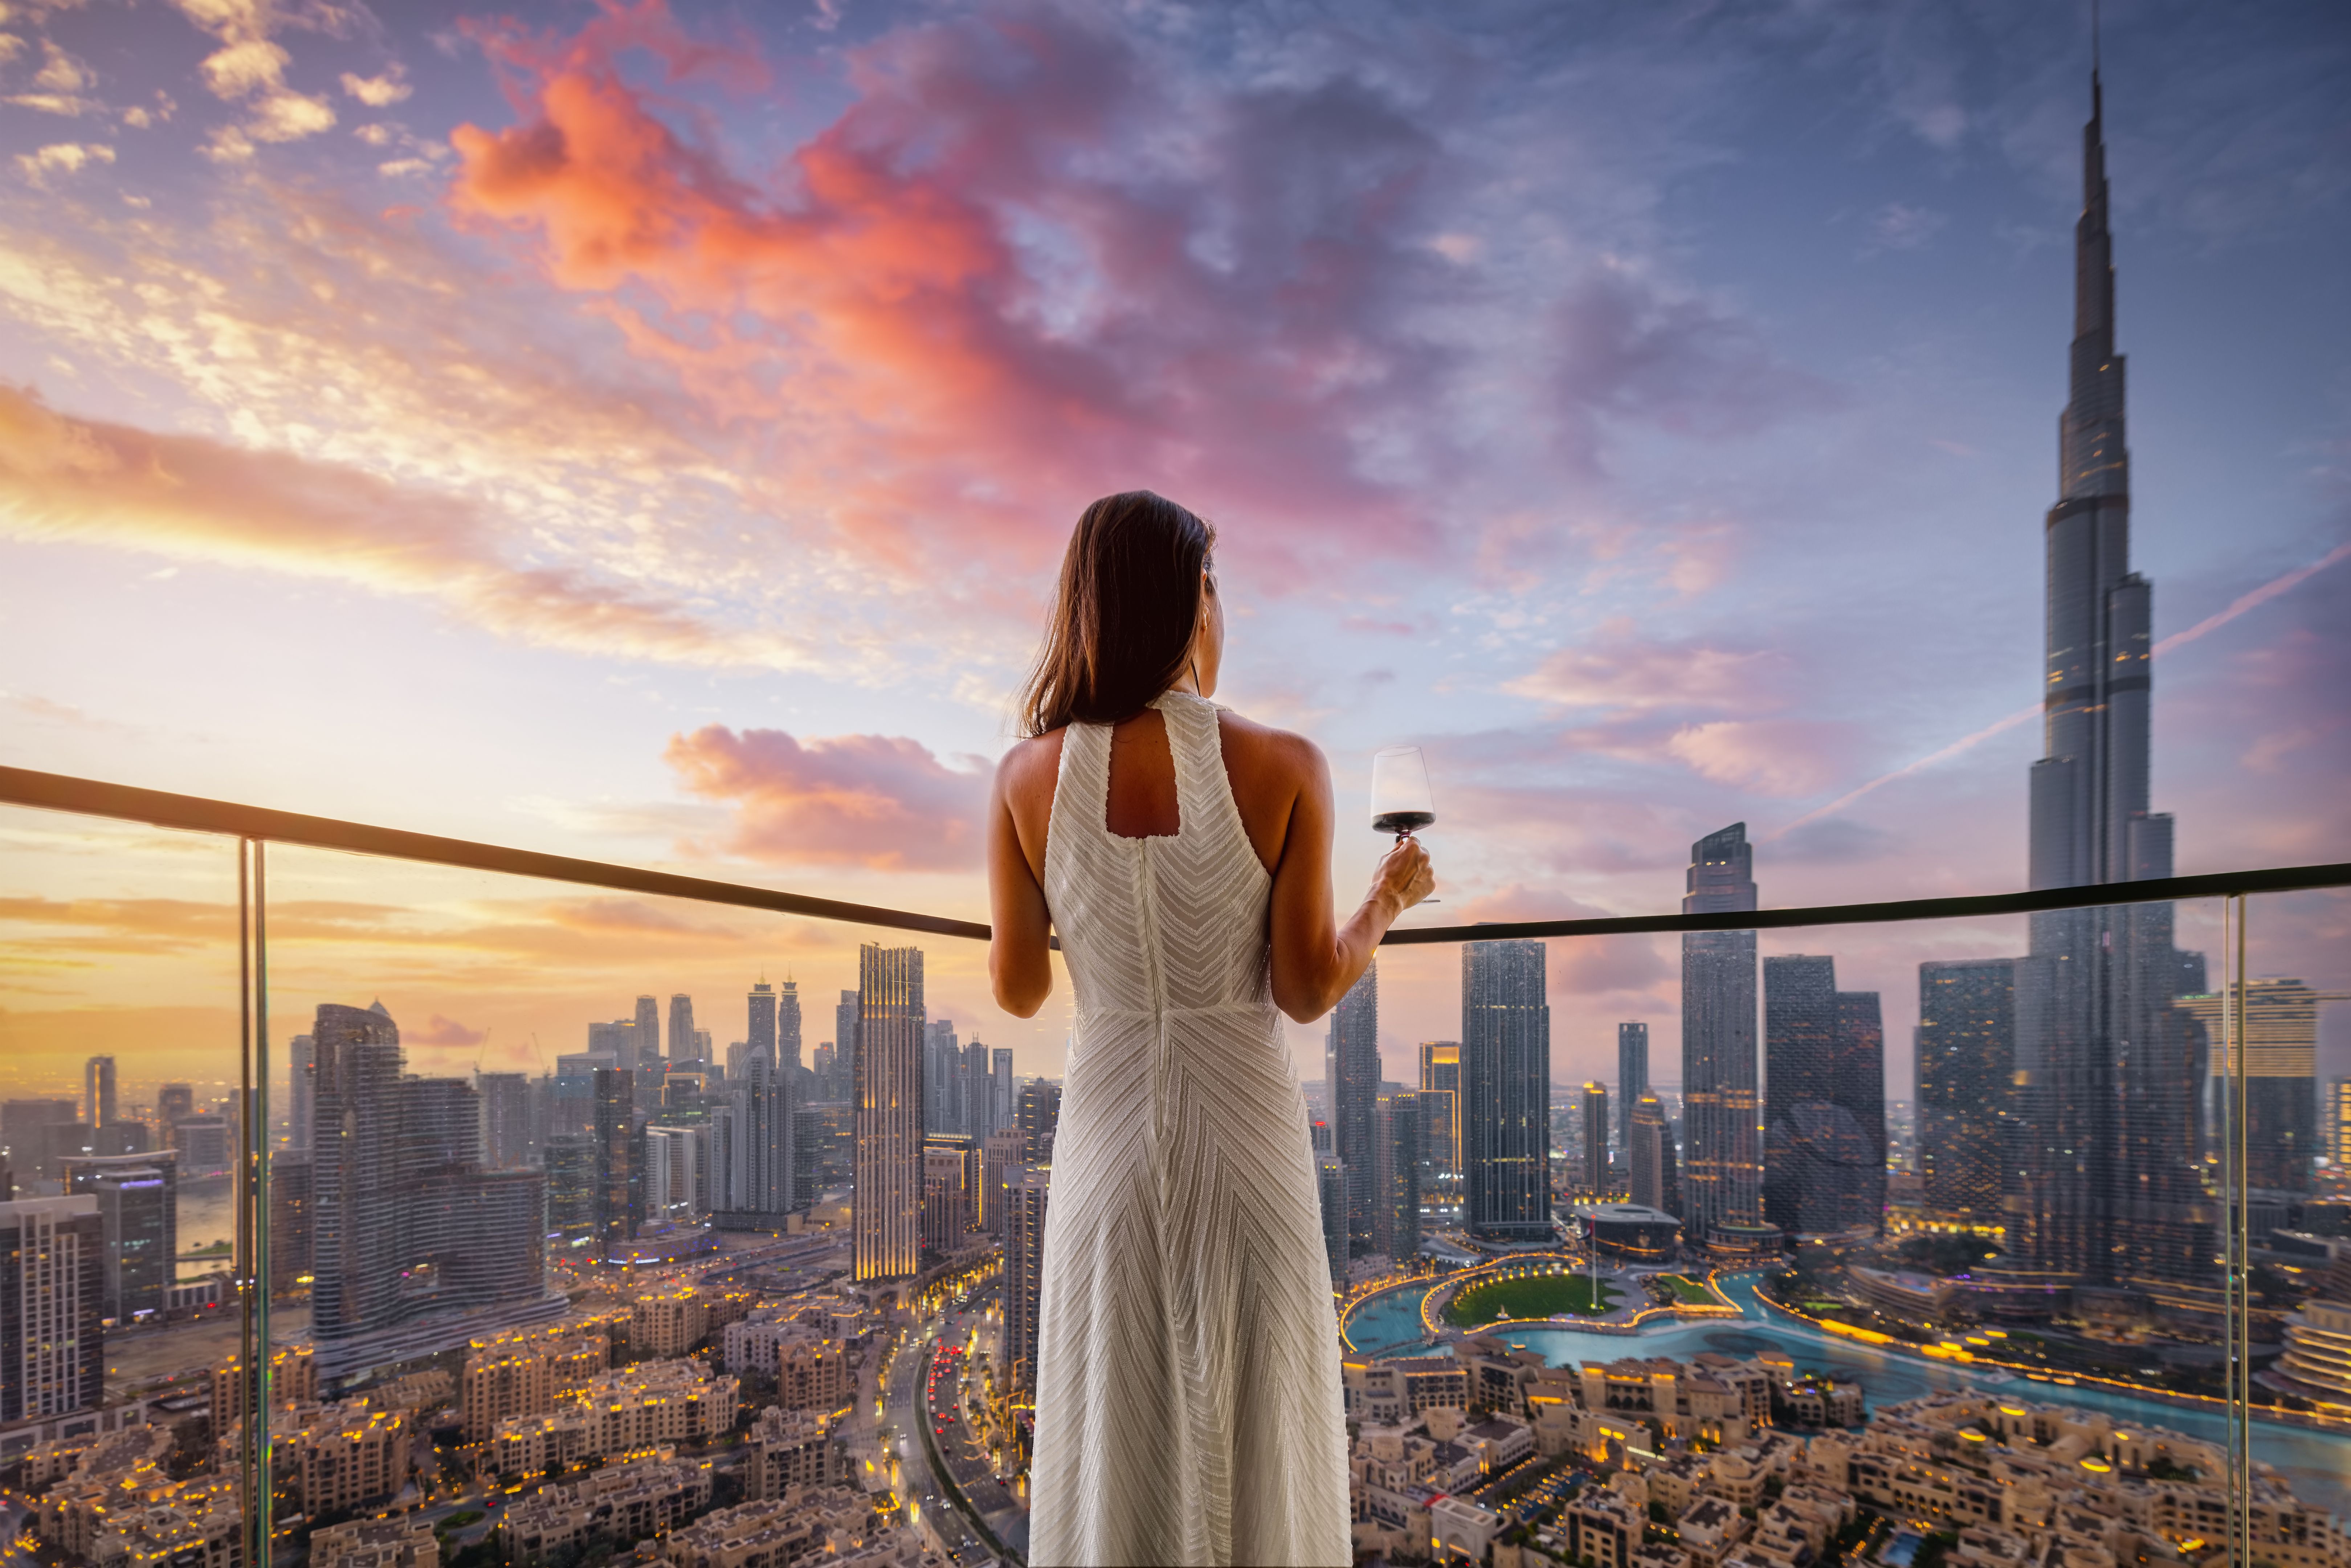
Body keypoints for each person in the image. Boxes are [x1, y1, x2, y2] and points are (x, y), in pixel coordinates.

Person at [988, 491, 1434, 1567]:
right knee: (1263, 1431)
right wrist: (1387, 903)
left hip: (1107, 1148)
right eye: (1214, 587)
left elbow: (1018, 990)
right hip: (1246, 1145)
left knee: (1117, 1425)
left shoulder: (1024, 779)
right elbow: (1306, 987)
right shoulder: (1287, 766)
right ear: (1191, 605)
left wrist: (1087, 909)